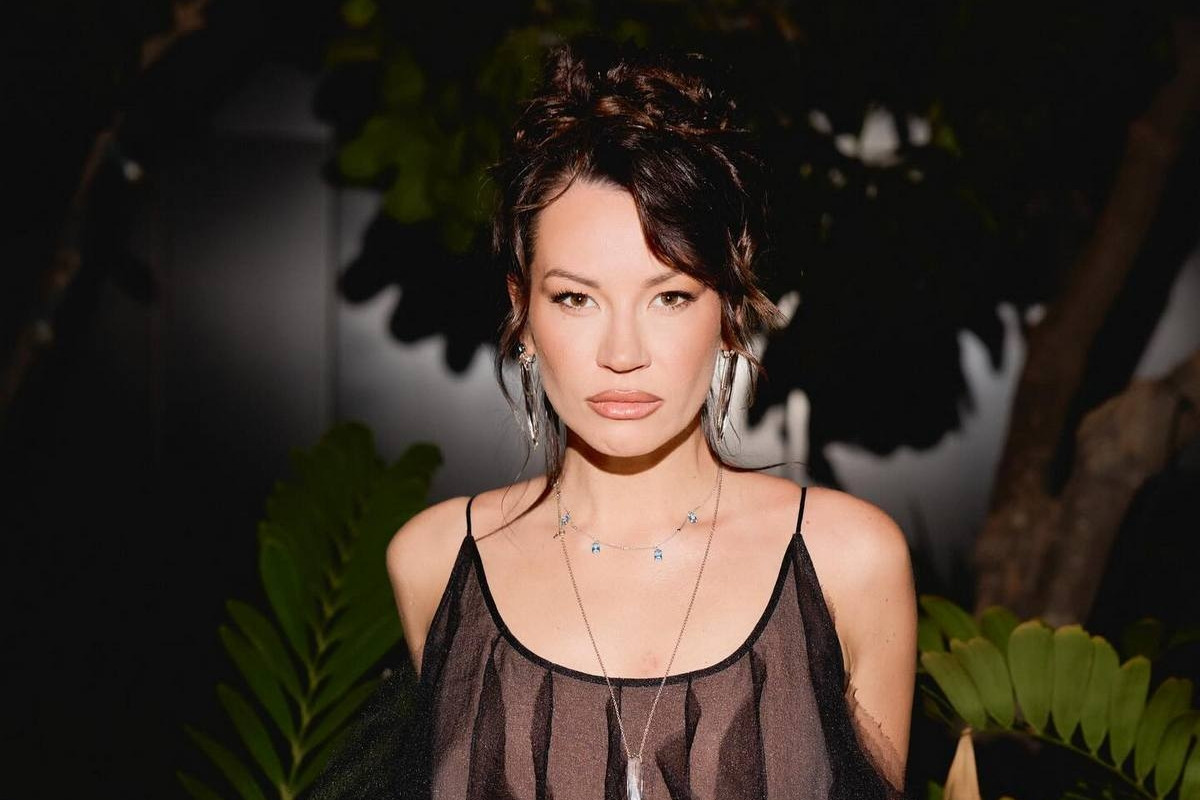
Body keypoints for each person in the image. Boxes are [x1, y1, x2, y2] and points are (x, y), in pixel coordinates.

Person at [322, 37, 916, 800]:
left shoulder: (849, 562)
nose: (622, 353)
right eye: (576, 298)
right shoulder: (433, 562)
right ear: (523, 312)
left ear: (728, 311)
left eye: (669, 297)